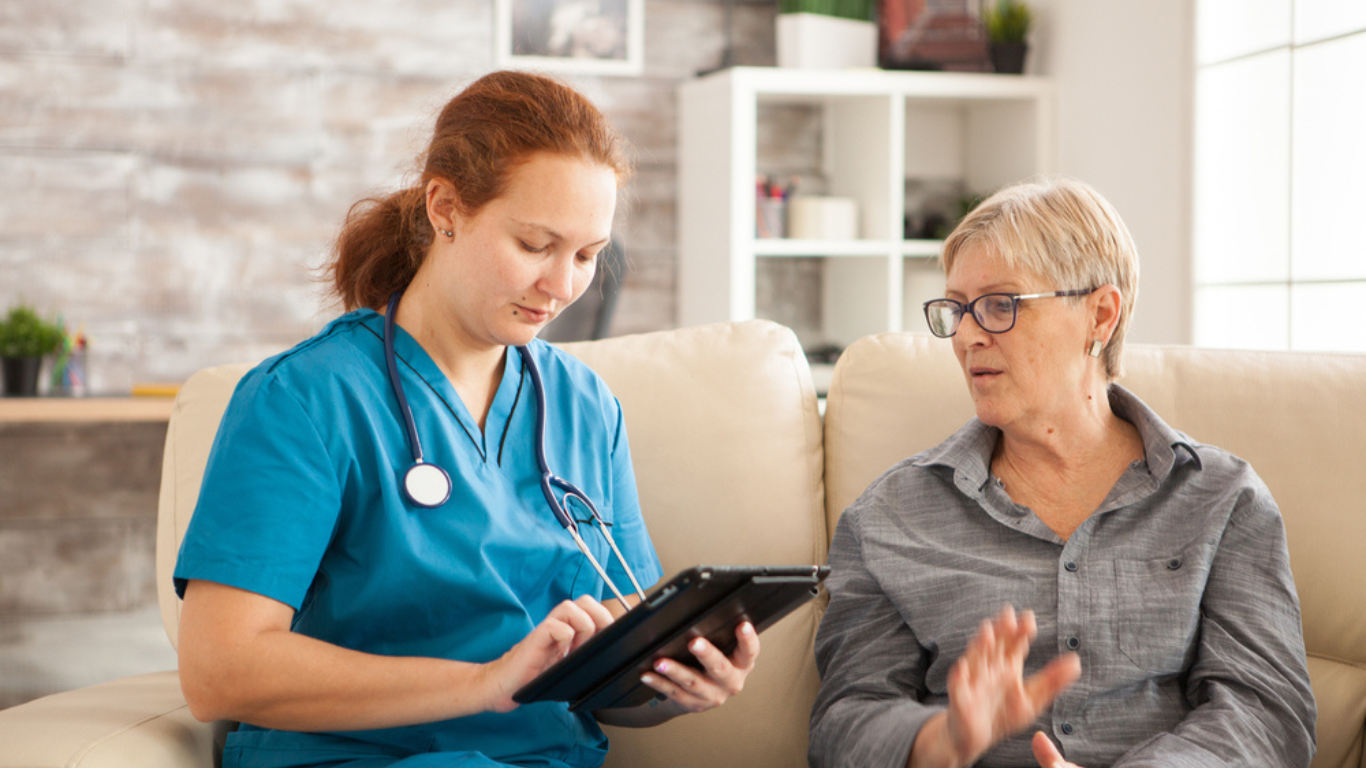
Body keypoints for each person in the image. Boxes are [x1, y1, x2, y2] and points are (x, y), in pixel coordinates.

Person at [173, 70, 759, 768]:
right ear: (445, 207)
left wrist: (676, 681)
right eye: (536, 245)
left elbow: (615, 664)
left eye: (587, 256)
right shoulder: (304, 400)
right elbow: (220, 673)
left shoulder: (584, 405)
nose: (563, 286)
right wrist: (483, 685)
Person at [808, 178, 1315, 768]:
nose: (968, 335)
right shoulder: (889, 517)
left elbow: (1267, 712)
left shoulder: (1222, 500)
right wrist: (941, 738)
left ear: (1100, 315)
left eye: (1001, 305)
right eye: (957, 308)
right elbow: (842, 724)